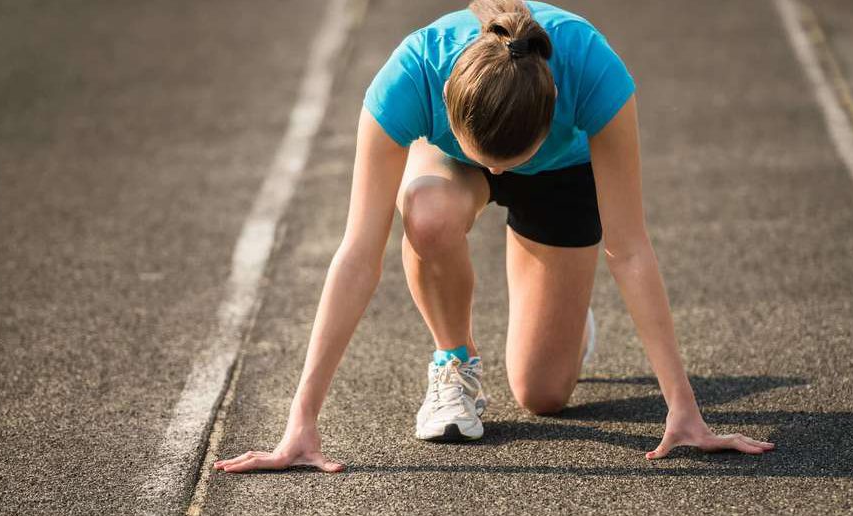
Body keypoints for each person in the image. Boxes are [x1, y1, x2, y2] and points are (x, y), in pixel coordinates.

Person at [214, 0, 774, 474]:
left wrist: (684, 408)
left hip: (562, 174)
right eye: (491, 160)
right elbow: (358, 255)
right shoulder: (410, 75)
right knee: (428, 215)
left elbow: (628, 250)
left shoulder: (592, 68)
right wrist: (301, 419)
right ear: (447, 99)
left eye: (510, 161)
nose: (500, 174)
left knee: (542, 395)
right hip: (453, 167)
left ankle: (568, 315)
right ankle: (454, 362)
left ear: (552, 106)